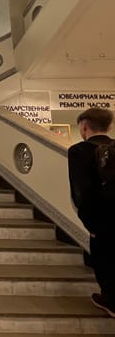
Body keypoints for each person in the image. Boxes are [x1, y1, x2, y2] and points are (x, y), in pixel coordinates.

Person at [67, 107, 115, 317]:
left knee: (104, 262)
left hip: (102, 221)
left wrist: (91, 225)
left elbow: (81, 192)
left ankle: (110, 300)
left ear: (84, 125)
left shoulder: (78, 151)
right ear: (109, 126)